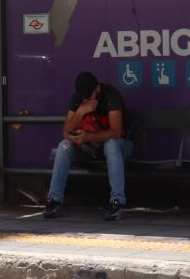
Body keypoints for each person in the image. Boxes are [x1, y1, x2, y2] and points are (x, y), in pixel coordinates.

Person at [43, 71, 130, 221]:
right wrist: (80, 113)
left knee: (111, 145)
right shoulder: (79, 99)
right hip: (90, 147)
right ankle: (54, 201)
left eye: (89, 96)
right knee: (64, 146)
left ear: (98, 88)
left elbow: (116, 132)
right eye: (83, 97)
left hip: (119, 146)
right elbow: (65, 132)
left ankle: (118, 203)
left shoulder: (110, 95)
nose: (86, 99)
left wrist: (89, 137)